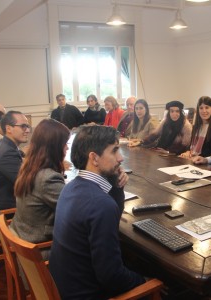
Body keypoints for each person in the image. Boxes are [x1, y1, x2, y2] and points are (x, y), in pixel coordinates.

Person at [49, 125, 145, 299]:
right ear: (94, 157)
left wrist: (117, 187)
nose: (120, 158)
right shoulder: (100, 204)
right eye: (114, 151)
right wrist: (145, 281)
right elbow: (111, 277)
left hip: (65, 286)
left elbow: (111, 218)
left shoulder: (70, 188)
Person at [10, 119, 70, 259]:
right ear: (54, 146)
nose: (67, 147)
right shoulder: (47, 178)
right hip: (40, 250)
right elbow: (77, 211)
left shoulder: (29, 166)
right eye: (64, 143)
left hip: (23, 236)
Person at [0, 111, 31, 210]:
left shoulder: (2, 143)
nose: (27, 130)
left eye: (28, 126)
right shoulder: (6, 153)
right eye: (23, 126)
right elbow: (27, 185)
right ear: (8, 128)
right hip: (9, 210)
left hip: (5, 202)